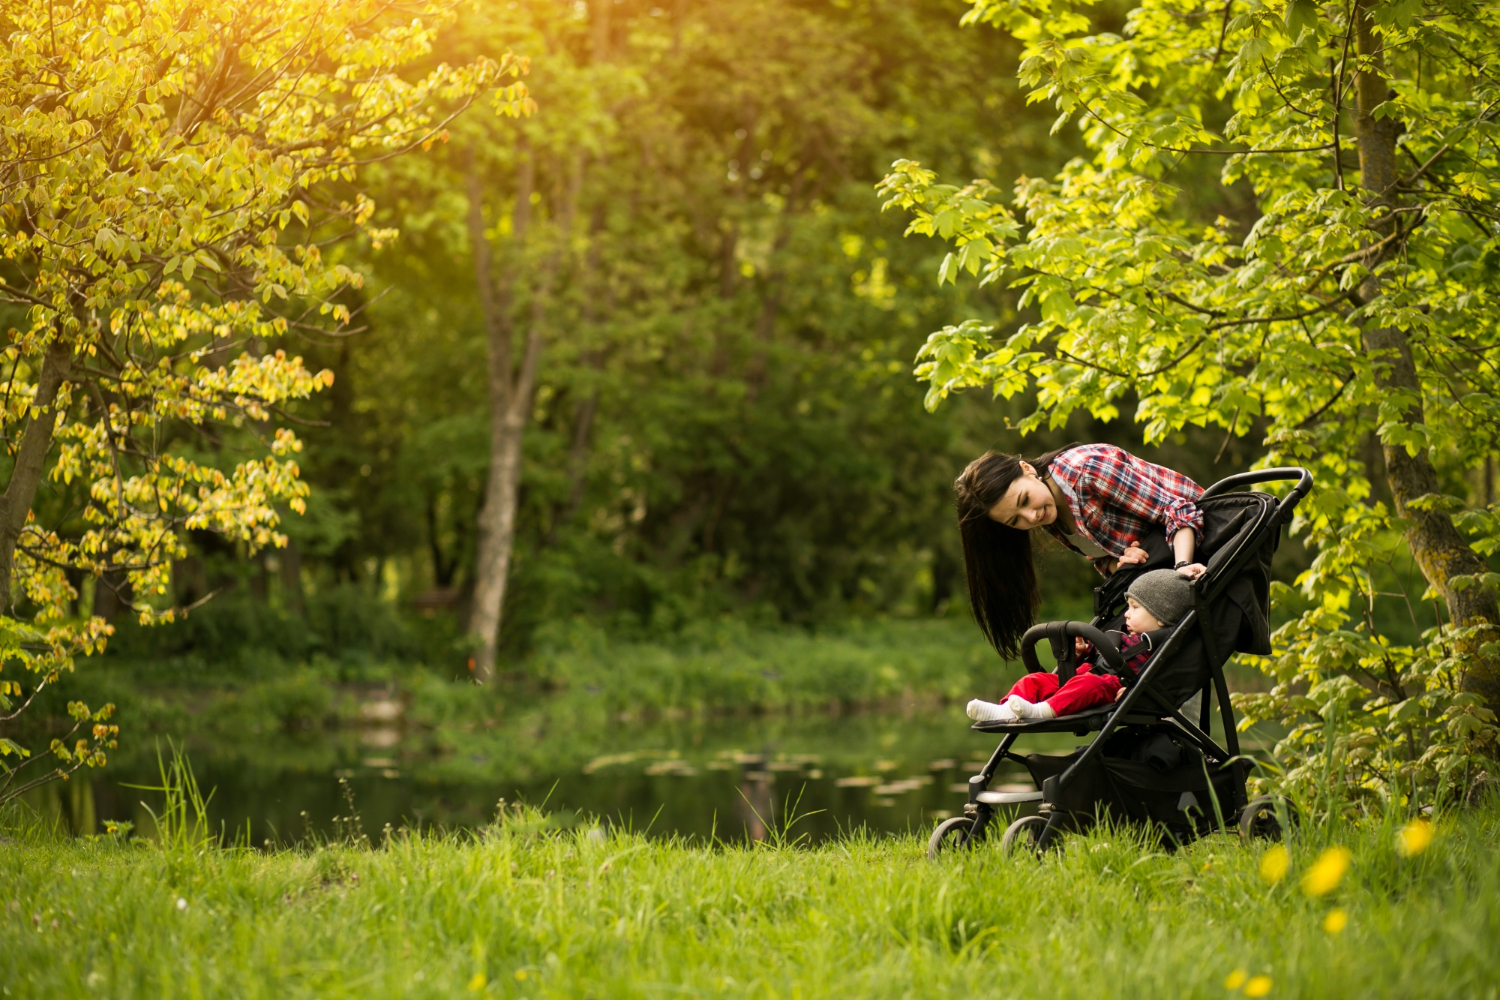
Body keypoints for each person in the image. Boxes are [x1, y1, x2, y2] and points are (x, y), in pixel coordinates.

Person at [953, 442, 1207, 660]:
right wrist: (1119, 564)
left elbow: (1179, 510)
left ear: (1027, 469)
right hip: (1159, 588)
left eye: (1024, 500)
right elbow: (1105, 558)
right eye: (1015, 521)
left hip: (1207, 549)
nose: (1031, 517)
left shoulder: (1087, 472)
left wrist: (1181, 567)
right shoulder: (1051, 516)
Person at [966, 569, 1194, 722]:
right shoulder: (1121, 635)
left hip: (1111, 685)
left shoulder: (1160, 647)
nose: (1126, 614)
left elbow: (1162, 679)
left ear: (1161, 616)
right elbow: (1099, 655)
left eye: (1135, 608)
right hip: (1079, 676)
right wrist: (1085, 651)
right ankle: (1004, 710)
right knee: (1034, 680)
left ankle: (1042, 711)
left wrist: (1137, 693)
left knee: (1088, 683)